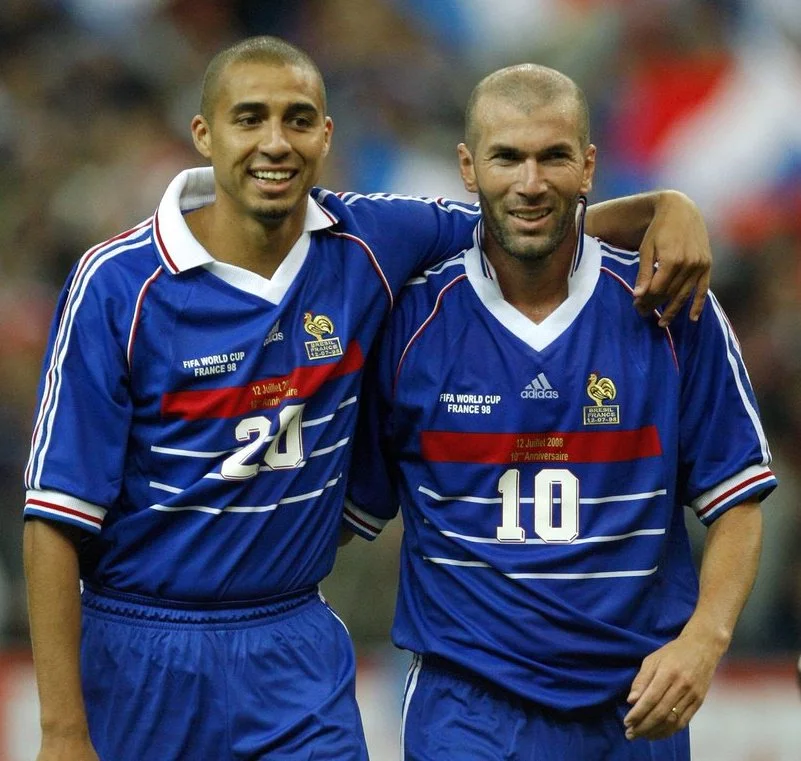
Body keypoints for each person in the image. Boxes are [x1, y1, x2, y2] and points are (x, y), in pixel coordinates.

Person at [22, 36, 713, 761]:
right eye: (248, 118)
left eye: (296, 119)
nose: (273, 142)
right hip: (142, 644)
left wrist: (665, 207)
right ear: (204, 134)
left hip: (293, 641)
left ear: (325, 133)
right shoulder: (118, 283)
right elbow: (53, 517)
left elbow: (520, 225)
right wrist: (62, 729)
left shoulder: (370, 240)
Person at [344, 63, 777, 760]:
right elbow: (343, 514)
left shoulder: (668, 306)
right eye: (506, 156)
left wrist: (703, 640)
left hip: (633, 704)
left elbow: (738, 500)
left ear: (588, 165)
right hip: (469, 707)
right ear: (466, 165)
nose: (529, 181)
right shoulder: (411, 324)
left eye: (552, 156)